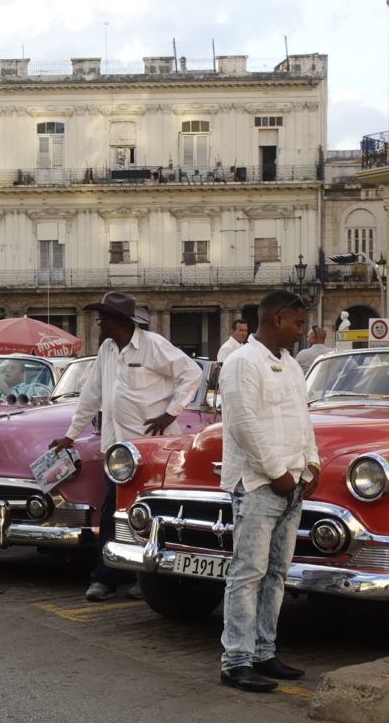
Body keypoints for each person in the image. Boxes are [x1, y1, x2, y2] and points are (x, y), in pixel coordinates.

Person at [49, 292, 203, 602]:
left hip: (151, 450)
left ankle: (144, 577)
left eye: (102, 319)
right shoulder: (107, 349)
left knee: (148, 513)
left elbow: (193, 373)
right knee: (112, 512)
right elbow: (92, 395)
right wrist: (71, 434)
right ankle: (106, 576)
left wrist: (171, 412)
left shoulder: (152, 345)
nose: (98, 324)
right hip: (117, 449)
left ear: (117, 321)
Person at [217, 290, 320, 692]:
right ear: (277, 319)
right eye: (297, 323)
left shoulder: (291, 365)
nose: (301, 331)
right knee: (248, 573)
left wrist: (311, 465)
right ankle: (236, 660)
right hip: (259, 484)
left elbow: (302, 418)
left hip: (292, 483)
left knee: (276, 573)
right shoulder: (242, 362)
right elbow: (243, 424)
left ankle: (263, 651)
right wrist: (278, 472)